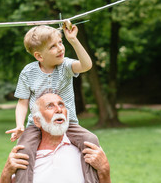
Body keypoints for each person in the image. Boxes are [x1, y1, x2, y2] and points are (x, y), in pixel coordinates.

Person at [6, 21, 99, 183]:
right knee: (23, 150)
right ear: (39, 56)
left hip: (67, 123)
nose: (60, 48)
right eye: (53, 47)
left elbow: (86, 65)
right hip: (37, 125)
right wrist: (20, 124)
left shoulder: (66, 66)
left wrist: (73, 40)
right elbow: (22, 102)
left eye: (60, 43)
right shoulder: (28, 72)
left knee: (90, 141)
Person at [0, 92, 111, 183]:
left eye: (61, 104)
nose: (58, 110)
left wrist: (105, 169)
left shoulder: (86, 148)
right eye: (50, 106)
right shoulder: (25, 154)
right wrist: (6, 173)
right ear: (37, 121)